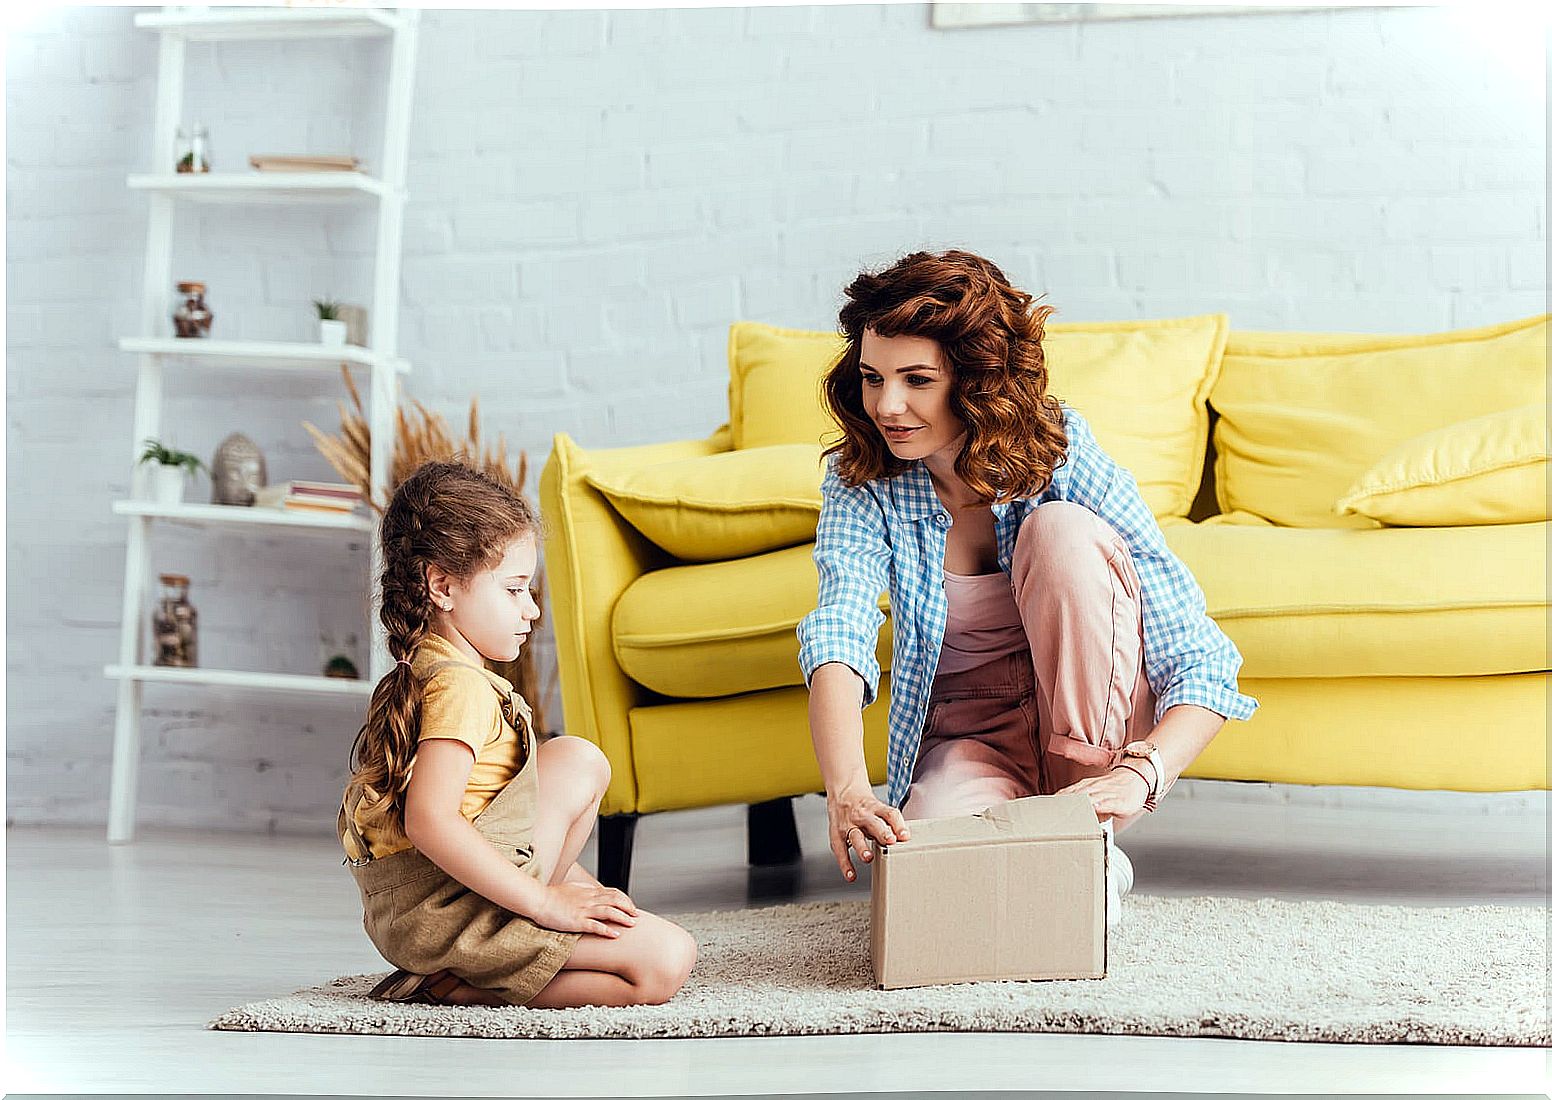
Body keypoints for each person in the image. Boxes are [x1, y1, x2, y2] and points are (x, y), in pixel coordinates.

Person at [797, 250, 1258, 925]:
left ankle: (1077, 830)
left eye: (917, 380)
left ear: (977, 379)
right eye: (873, 378)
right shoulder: (862, 479)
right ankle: (1062, 853)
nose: (888, 406)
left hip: (1086, 729)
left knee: (1060, 532)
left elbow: (1200, 655)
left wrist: (1144, 772)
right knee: (940, 894)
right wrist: (845, 788)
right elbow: (840, 628)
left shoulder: (1063, 453)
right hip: (966, 738)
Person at [339, 460, 696, 1006]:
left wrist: (579, 888)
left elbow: (503, 809)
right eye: (513, 590)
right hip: (442, 913)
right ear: (443, 586)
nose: (531, 611)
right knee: (665, 961)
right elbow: (430, 820)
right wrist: (545, 905)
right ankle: (458, 987)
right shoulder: (458, 689)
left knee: (575, 759)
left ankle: (511, 936)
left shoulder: (429, 669)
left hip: (424, 904)